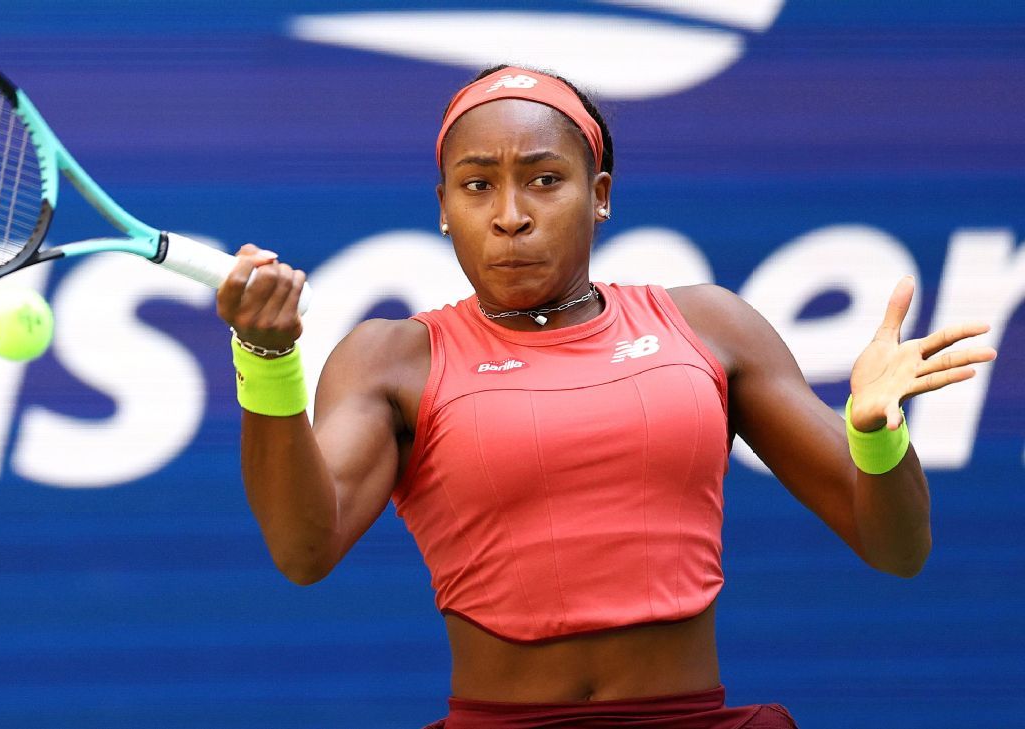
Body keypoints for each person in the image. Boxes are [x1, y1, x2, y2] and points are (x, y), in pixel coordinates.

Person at [214, 65, 997, 728]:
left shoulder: (708, 324)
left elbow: (897, 547)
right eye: (477, 184)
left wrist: (873, 432)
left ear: (601, 194)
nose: (510, 215)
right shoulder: (391, 359)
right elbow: (304, 549)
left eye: (544, 180)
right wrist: (267, 357)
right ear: (444, 208)